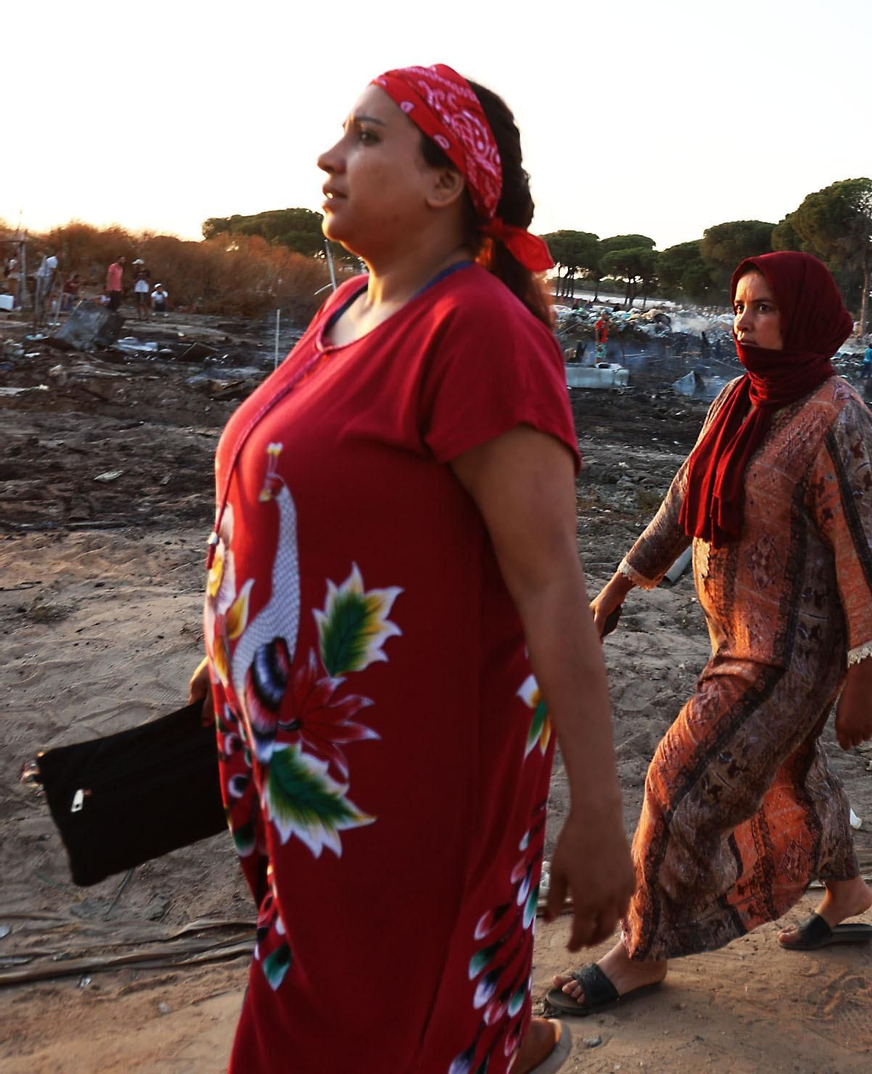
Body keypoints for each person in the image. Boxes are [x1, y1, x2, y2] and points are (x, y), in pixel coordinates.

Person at [189, 63, 633, 1071]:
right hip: (308, 779)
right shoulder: (344, 310)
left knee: (352, 1032)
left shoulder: (475, 329)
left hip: (407, 790)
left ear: (446, 184)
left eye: (366, 137)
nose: (328, 157)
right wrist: (224, 652)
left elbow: (548, 582)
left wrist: (599, 815)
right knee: (353, 1012)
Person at [550, 251, 872, 1016]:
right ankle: (847, 892)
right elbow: (684, 501)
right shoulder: (740, 401)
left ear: (806, 318)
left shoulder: (837, 420)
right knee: (790, 771)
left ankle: (642, 952)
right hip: (736, 637)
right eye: (739, 306)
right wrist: (616, 588)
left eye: (764, 308)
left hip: (788, 658)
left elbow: (867, 558)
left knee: (676, 786)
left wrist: (863, 681)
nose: (744, 321)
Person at [31, 250, 58, 325]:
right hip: (44, 280)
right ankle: (38, 319)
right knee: (41, 299)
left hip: (45, 281)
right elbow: (53, 272)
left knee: (43, 300)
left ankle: (42, 319)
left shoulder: (52, 262)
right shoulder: (52, 261)